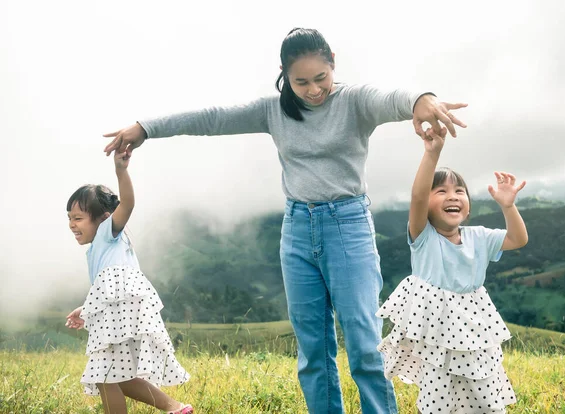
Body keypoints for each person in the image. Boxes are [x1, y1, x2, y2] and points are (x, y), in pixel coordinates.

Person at [102, 27, 467, 414]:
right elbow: (212, 118)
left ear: (333, 66)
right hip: (296, 231)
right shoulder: (274, 110)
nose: (313, 90)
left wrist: (421, 99)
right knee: (312, 349)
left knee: (363, 344)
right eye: (301, 82)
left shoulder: (354, 102)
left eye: (321, 78)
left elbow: (392, 98)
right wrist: (146, 128)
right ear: (284, 74)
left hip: (348, 228)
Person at [376, 126, 527, 413]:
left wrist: (509, 207)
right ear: (428, 207)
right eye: (441, 191)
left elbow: (517, 239)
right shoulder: (423, 238)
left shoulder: (479, 236)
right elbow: (418, 197)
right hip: (436, 332)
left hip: (475, 328)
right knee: (438, 397)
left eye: (459, 191)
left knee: (484, 389)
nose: (452, 196)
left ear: (468, 207)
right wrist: (432, 152)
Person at [65, 150, 193, 414]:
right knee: (117, 375)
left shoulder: (107, 232)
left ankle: (174, 407)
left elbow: (128, 205)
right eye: (69, 218)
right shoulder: (99, 249)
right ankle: (175, 408)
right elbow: (105, 293)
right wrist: (85, 309)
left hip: (123, 315)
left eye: (77, 218)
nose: (71, 224)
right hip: (121, 313)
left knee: (105, 374)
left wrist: (121, 171)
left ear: (103, 217)